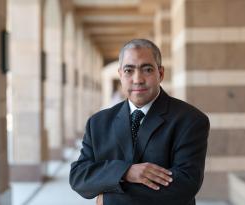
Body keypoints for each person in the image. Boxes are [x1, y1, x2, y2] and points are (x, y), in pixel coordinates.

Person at [69, 39, 210, 205]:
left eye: (147, 69)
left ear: (161, 73)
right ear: (120, 74)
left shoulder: (190, 120)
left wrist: (108, 200)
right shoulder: (98, 123)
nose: (138, 79)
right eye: (129, 70)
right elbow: (79, 176)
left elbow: (185, 184)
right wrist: (126, 172)